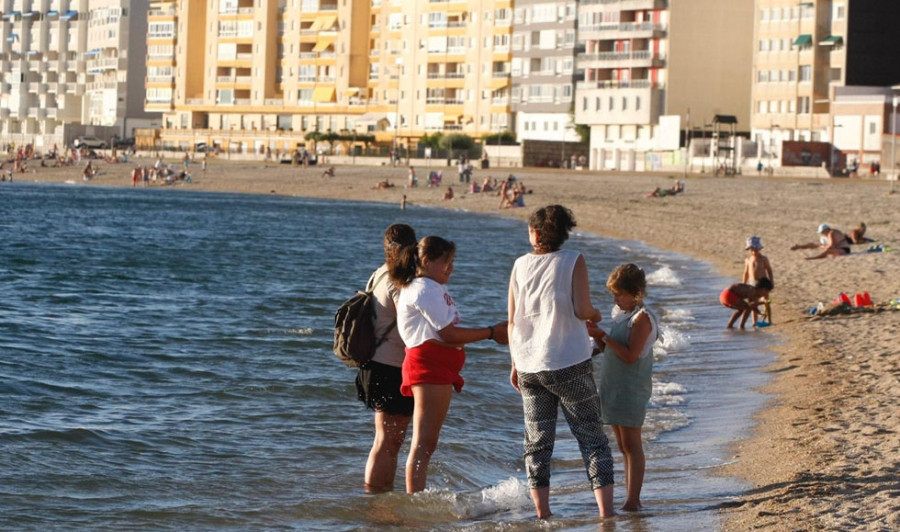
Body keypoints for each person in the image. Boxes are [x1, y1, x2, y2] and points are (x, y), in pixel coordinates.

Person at [507, 205, 616, 519]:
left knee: (537, 443)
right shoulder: (573, 260)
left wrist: (514, 363)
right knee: (591, 437)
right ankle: (606, 514)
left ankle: (543, 514)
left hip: (529, 363)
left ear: (537, 233)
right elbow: (583, 310)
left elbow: (512, 321)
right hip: (568, 360)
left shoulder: (519, 265)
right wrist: (596, 315)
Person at [388, 236, 508, 493]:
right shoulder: (423, 288)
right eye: (446, 262)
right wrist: (490, 332)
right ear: (425, 261)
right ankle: (415, 500)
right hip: (428, 367)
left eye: (453, 262)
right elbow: (449, 335)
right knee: (424, 443)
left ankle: (416, 497)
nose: (451, 268)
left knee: (427, 443)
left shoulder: (430, 287)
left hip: (436, 368)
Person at [587, 264, 659, 512]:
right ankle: (630, 497)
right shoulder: (622, 315)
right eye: (614, 294)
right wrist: (598, 338)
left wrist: (604, 336)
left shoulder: (642, 319)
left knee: (632, 444)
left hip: (631, 387)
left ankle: (633, 499)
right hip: (614, 385)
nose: (616, 299)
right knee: (622, 445)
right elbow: (612, 350)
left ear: (636, 293)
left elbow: (630, 355)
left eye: (620, 294)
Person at [357, 224, 418, 493]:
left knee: (382, 439)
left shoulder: (378, 274)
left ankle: (375, 495)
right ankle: (380, 498)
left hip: (372, 365)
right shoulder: (400, 281)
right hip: (392, 368)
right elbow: (411, 330)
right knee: (391, 442)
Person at [742, 236, 774, 324]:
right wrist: (743, 284)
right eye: (751, 250)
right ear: (748, 250)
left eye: (756, 250)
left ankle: (769, 320)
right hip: (752, 283)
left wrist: (771, 281)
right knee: (753, 303)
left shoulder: (763, 259)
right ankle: (754, 321)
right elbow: (746, 273)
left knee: (766, 301)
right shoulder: (748, 260)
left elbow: (769, 270)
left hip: (763, 282)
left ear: (759, 249)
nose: (754, 252)